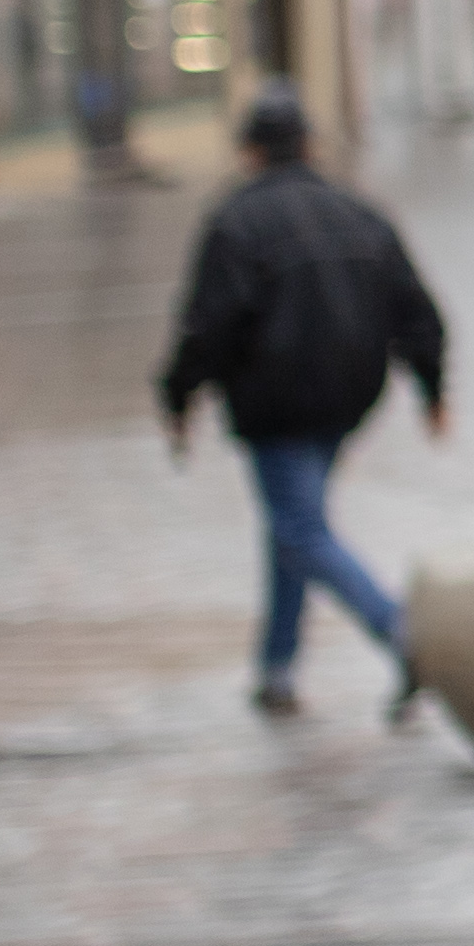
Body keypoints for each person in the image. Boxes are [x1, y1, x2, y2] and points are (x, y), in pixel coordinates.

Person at [154, 84, 447, 718]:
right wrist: (432, 388)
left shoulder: (235, 222)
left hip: (277, 404)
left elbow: (206, 325)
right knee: (293, 523)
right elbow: (417, 309)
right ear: (309, 145)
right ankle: (277, 667)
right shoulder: (360, 213)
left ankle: (401, 633)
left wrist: (178, 397)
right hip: (347, 399)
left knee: (299, 529)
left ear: (249, 152)